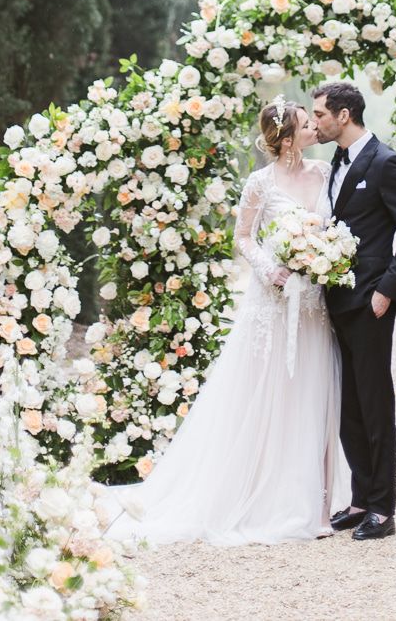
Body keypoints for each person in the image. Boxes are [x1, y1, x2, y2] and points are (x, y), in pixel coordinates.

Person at [106, 97, 347, 545]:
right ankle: (260, 492)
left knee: (315, 394)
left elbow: (333, 229)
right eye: (305, 122)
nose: (315, 125)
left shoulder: (325, 174)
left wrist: (324, 256)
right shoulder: (260, 182)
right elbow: (243, 238)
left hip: (313, 305)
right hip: (272, 304)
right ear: (287, 136)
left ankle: (319, 505)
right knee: (265, 396)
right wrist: (270, 267)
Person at [313, 80, 396, 541]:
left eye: (320, 114)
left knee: (375, 405)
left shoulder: (386, 163)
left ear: (344, 115)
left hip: (370, 305)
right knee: (348, 407)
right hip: (336, 300)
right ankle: (361, 499)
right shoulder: (335, 163)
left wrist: (387, 291)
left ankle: (383, 508)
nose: (316, 121)